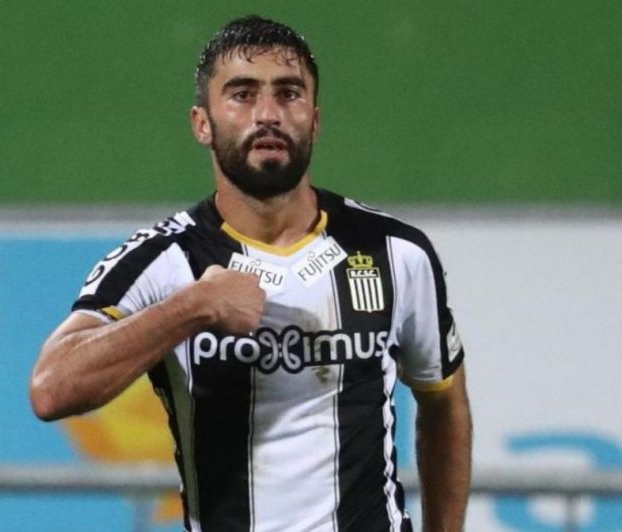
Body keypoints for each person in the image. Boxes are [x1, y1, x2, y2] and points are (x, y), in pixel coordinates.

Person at [30, 15, 472, 532]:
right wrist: (192, 307)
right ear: (202, 123)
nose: (268, 114)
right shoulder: (163, 260)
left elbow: (444, 405)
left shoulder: (396, 252)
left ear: (314, 120)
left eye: (289, 94)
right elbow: (51, 389)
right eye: (242, 95)